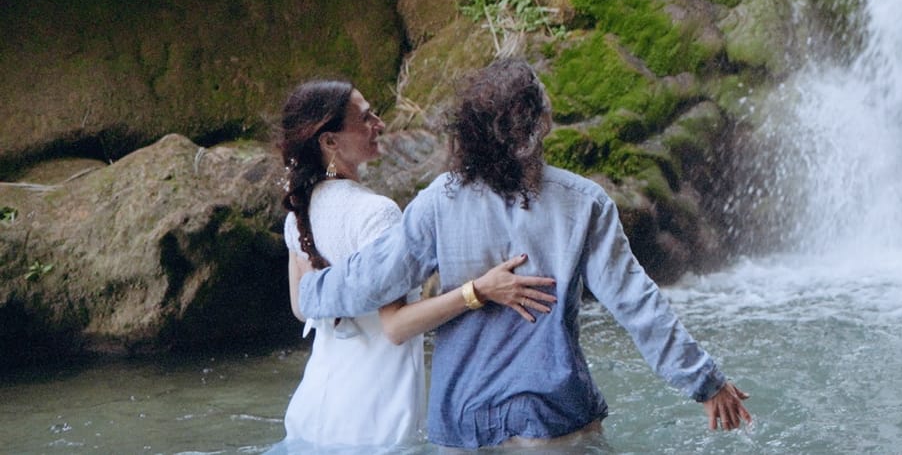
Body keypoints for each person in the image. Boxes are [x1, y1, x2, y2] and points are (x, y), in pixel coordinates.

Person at [296, 59, 752, 448]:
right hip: (553, 414)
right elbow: (636, 303)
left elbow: (371, 278)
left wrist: (309, 290)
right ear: (541, 125)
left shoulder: (440, 200)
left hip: (461, 420)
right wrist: (705, 383)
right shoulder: (583, 202)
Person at [276, 79, 557, 448]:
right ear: (330, 141)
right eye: (365, 118)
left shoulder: (300, 209)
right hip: (374, 411)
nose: (380, 123)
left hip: (315, 404)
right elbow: (395, 327)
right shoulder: (376, 213)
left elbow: (302, 308)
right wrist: (479, 291)